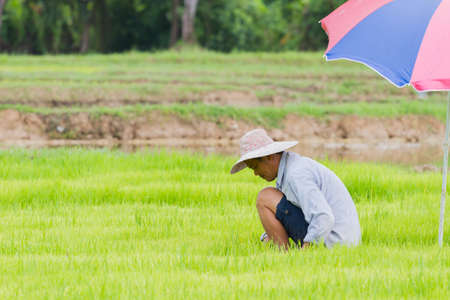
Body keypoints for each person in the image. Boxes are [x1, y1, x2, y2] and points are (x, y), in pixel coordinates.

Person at [230, 128, 361, 249]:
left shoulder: (296, 175)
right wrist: (268, 235)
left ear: (269, 157)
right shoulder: (291, 169)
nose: (255, 174)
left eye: (255, 167)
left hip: (335, 241)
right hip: (340, 239)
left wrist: (306, 251)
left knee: (265, 197)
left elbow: (323, 217)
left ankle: (284, 256)